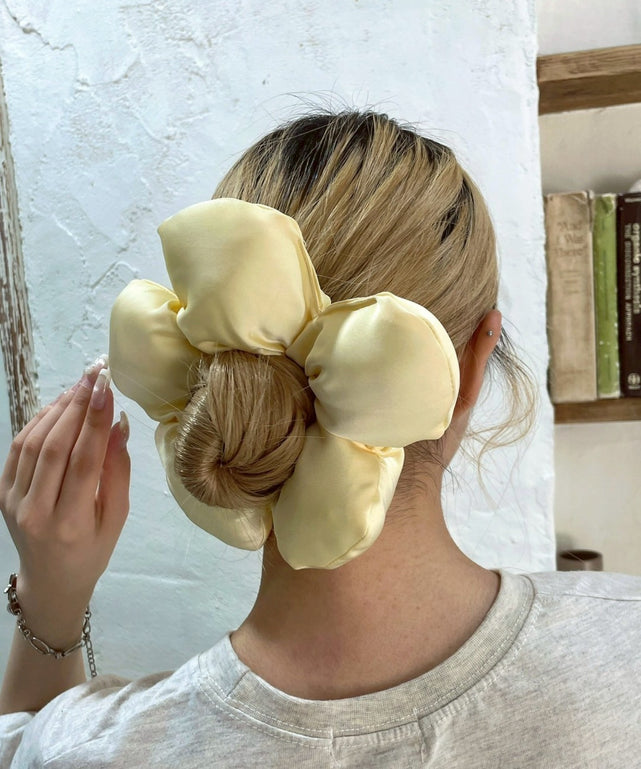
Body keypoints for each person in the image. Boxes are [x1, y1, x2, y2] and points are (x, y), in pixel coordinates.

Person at [0, 110, 640, 768]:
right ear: (471, 367)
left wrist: (50, 600)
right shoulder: (626, 649)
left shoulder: (89, 749)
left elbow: (22, 741)